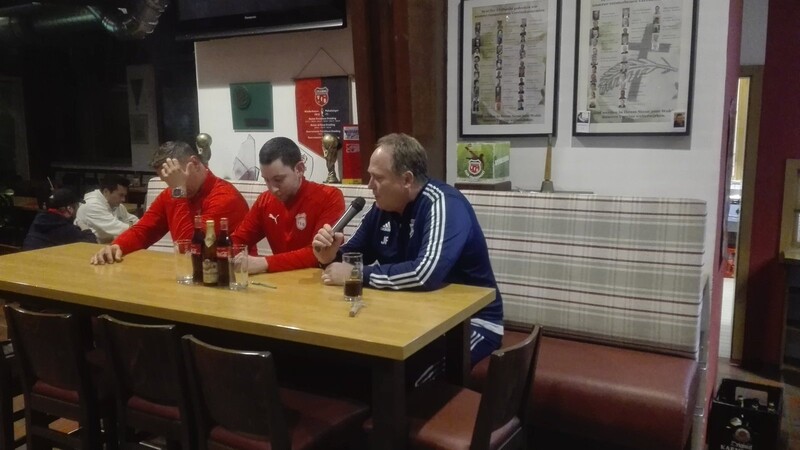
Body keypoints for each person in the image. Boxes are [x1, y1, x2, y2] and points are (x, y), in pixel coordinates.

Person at [312, 133, 504, 368]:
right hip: (413, 317)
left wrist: (356, 275)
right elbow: (352, 257)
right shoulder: (382, 207)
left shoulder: (443, 203)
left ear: (406, 180)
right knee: (343, 360)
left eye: (377, 178)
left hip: (470, 323)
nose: (369, 185)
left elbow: (424, 274)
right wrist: (329, 256)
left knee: (415, 373)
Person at [90, 141, 249, 264]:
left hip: (228, 275)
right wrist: (117, 246)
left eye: (176, 175)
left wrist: (179, 190)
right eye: (167, 180)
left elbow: (188, 250)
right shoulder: (172, 192)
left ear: (194, 163)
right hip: (196, 275)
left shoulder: (225, 198)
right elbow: (144, 230)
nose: (171, 185)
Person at [231, 137, 344, 273]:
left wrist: (264, 262)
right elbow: (238, 240)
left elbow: (319, 253)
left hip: (318, 281)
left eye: (278, 180)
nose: (273, 189)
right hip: (279, 282)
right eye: (267, 180)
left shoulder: (330, 197)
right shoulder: (265, 200)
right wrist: (223, 254)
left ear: (299, 169)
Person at [23, 188, 97, 250]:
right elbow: (91, 245)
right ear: (69, 209)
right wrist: (85, 228)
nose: (77, 209)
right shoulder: (64, 228)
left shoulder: (38, 220)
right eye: (77, 206)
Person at [75, 175, 139, 244]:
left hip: (104, 246)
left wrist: (145, 226)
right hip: (87, 248)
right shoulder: (92, 205)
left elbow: (132, 220)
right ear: (106, 191)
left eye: (124, 196)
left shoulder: (117, 205)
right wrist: (142, 230)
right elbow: (117, 227)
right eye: (121, 195)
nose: (123, 199)